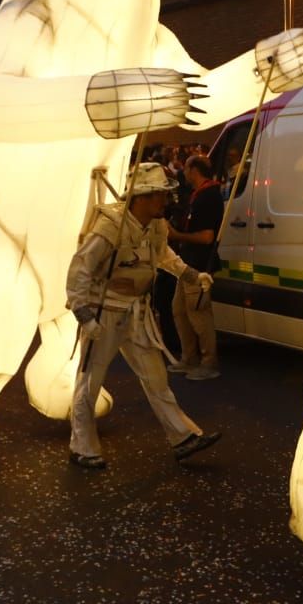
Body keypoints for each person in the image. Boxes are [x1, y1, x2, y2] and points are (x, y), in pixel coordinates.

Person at [66, 163, 220, 471]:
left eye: (165, 195)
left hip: (137, 314)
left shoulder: (156, 225)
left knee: (156, 378)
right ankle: (82, 446)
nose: (165, 202)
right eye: (158, 195)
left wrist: (191, 275)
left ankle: (182, 437)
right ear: (141, 197)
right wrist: (84, 315)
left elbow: (162, 255)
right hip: (104, 313)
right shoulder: (111, 226)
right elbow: (80, 268)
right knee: (90, 380)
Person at [168, 155, 224, 379]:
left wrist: (178, 235)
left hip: (199, 265)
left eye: (187, 167)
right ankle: (189, 358)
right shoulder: (197, 195)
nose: (183, 172)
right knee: (179, 311)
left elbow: (207, 237)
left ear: (194, 170)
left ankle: (208, 363)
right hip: (186, 264)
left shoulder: (208, 196)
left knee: (199, 314)